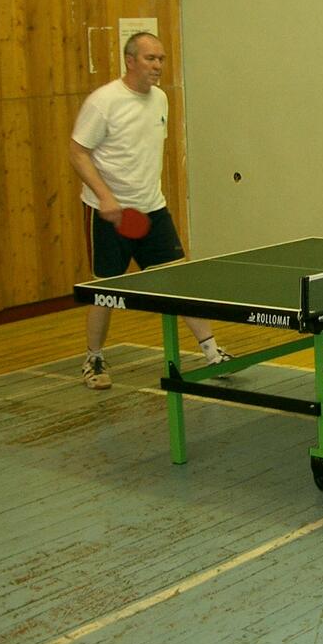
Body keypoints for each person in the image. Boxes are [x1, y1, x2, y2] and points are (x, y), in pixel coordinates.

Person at [69, 32, 231, 390]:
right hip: (108, 213)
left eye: (161, 59)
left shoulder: (160, 99)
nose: (158, 66)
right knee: (105, 291)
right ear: (130, 60)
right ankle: (93, 358)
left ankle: (211, 350)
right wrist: (106, 197)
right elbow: (78, 152)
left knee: (179, 282)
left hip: (152, 211)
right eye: (150, 59)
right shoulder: (104, 102)